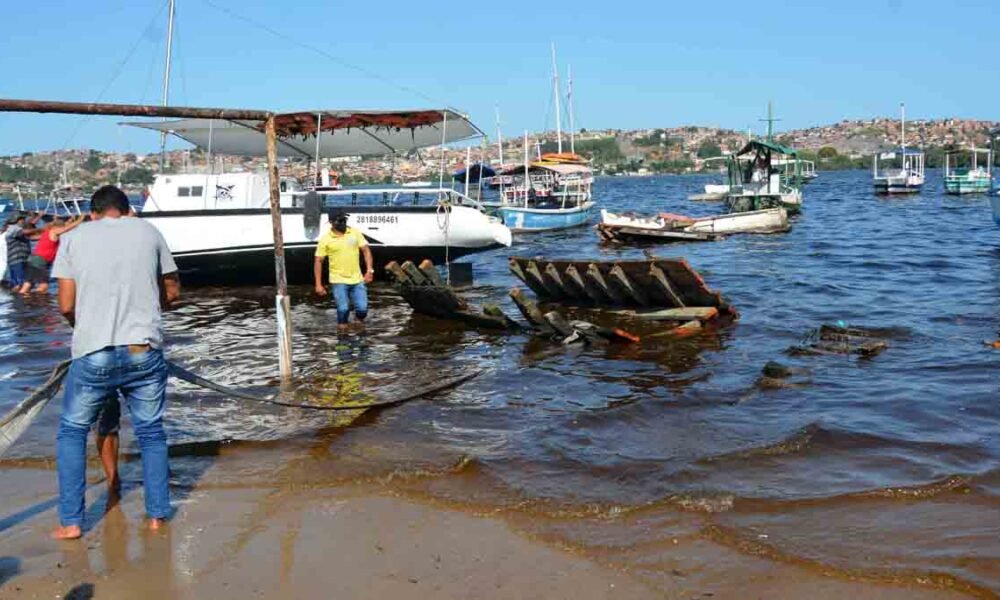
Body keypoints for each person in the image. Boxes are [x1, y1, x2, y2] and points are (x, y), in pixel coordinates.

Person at [50, 185, 181, 540]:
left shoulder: (74, 238)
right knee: (151, 432)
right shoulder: (149, 231)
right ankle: (156, 516)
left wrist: (86, 329)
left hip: (94, 353)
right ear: (126, 210)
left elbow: (65, 304)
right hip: (143, 349)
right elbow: (171, 288)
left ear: (93, 213)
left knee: (72, 432)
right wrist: (153, 315)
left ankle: (72, 522)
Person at [313, 211, 374, 330]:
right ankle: (342, 335)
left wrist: (369, 271)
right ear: (331, 223)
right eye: (339, 221)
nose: (343, 223)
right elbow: (318, 261)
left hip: (357, 279)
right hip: (338, 280)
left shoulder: (354, 232)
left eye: (344, 220)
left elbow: (366, 250)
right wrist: (318, 284)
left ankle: (358, 324)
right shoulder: (325, 239)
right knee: (343, 309)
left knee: (362, 309)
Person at [20, 215, 85, 294]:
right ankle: (36, 303)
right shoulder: (54, 231)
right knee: (43, 286)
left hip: (33, 259)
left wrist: (72, 220)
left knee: (27, 284)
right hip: (40, 261)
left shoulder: (47, 232)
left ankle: (20, 302)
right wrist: (79, 220)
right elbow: (67, 228)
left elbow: (67, 228)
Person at [5, 213, 42, 288]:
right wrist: (40, 229)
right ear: (17, 220)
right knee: (20, 283)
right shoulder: (13, 228)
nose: (23, 221)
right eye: (22, 219)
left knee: (23, 283)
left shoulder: (19, 230)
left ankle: (17, 297)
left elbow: (31, 238)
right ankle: (19, 298)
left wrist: (48, 235)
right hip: (17, 260)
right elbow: (25, 232)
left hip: (23, 260)